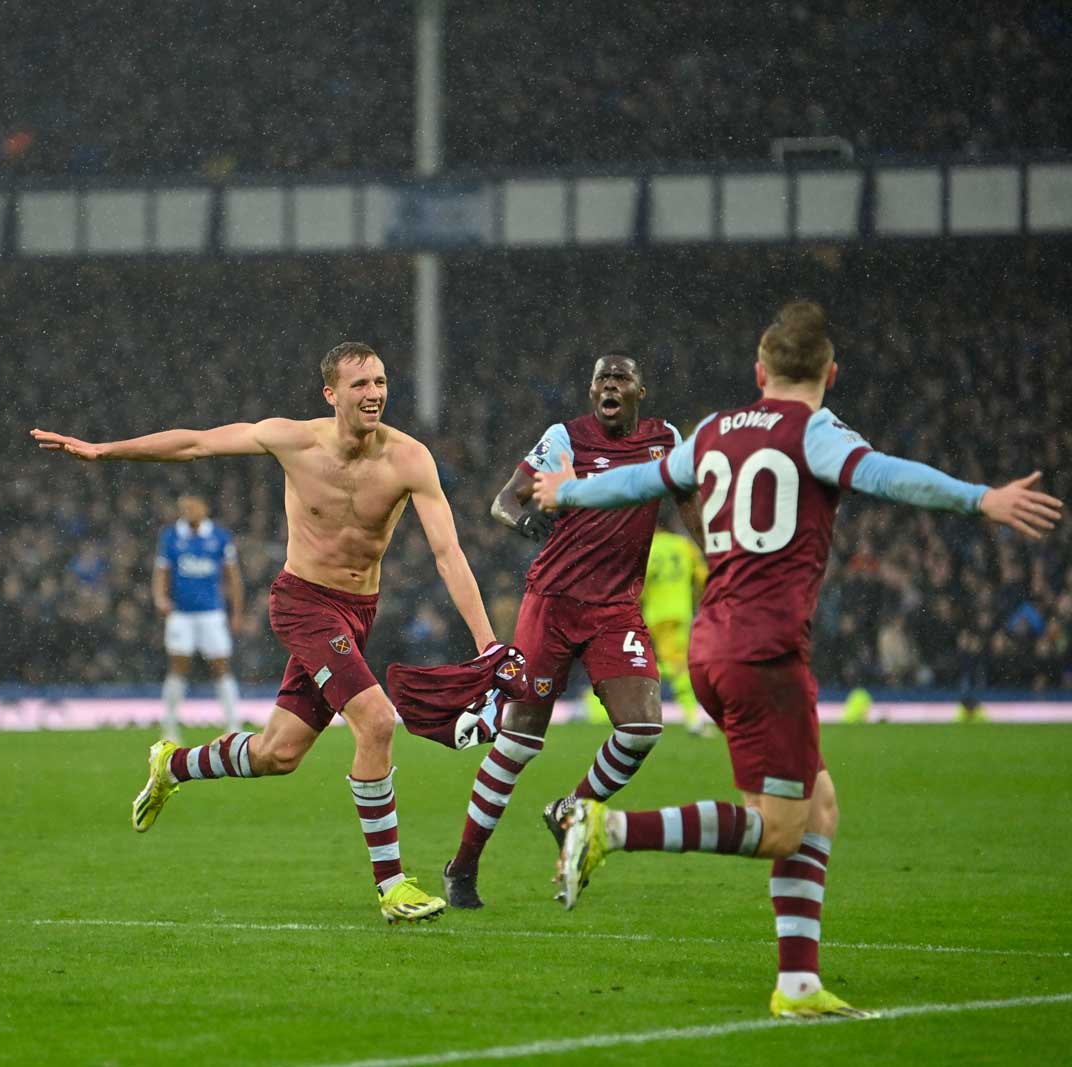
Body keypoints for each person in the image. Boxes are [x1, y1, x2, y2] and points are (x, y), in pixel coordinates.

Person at [536, 301, 1062, 1019]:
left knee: (819, 805)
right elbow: (887, 475)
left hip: (710, 645)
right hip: (765, 651)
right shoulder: (813, 431)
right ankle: (605, 825)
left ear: (760, 371)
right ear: (830, 373)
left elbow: (640, 482)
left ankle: (800, 982)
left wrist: (567, 490)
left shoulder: (715, 431)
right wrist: (981, 499)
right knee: (778, 825)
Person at [33, 341, 499, 924]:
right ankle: (393, 887)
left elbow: (448, 553)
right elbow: (196, 443)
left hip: (358, 612)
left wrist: (488, 644)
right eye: (359, 385)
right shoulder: (293, 439)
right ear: (331, 395)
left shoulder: (411, 459)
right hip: (304, 603)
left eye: (380, 382)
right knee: (377, 721)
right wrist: (105, 451)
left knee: (278, 754)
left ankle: (172, 766)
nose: (374, 393)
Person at [441, 352, 701, 910]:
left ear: (639, 390)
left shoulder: (666, 440)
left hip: (617, 610)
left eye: (620, 377)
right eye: (601, 379)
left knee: (642, 730)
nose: (609, 385)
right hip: (552, 607)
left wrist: (722, 564)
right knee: (517, 744)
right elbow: (504, 500)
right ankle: (462, 867)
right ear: (591, 392)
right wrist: (523, 519)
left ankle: (571, 809)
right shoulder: (567, 437)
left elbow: (689, 504)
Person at [152, 494, 244, 741]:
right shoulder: (171, 536)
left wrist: (236, 612)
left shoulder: (220, 536)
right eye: (183, 507)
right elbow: (161, 571)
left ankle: (233, 724)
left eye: (192, 506)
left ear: (205, 507)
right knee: (178, 666)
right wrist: (160, 598)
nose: (187, 510)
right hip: (181, 614)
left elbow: (233, 577)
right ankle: (170, 726)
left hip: (212, 613)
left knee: (221, 665)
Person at [639, 505, 710, 736]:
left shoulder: (648, 548)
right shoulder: (683, 545)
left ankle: (632, 677)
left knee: (674, 663)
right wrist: (699, 599)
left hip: (655, 613)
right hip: (680, 611)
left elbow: (640, 583)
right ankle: (693, 720)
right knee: (678, 665)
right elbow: (702, 576)